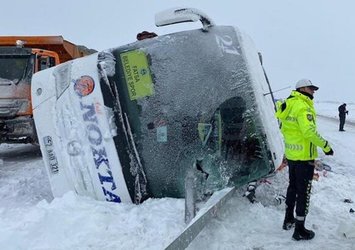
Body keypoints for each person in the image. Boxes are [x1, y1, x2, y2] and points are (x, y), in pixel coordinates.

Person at [275, 79, 334, 241]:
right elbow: (309, 132)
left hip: (293, 156)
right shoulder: (302, 106)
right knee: (304, 192)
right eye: (311, 89)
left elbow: (287, 130)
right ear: (302, 89)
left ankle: (288, 220)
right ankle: (300, 229)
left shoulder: (289, 104)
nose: (313, 91)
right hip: (304, 159)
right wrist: (326, 146)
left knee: (292, 187)